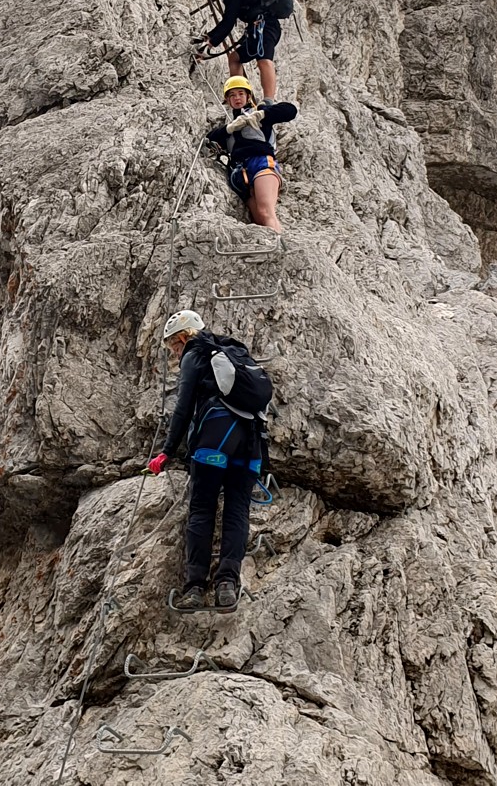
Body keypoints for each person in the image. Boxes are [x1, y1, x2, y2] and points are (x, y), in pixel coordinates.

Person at [146, 309, 267, 611]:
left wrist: (167, 450)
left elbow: (184, 405)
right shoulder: (235, 351)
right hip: (251, 444)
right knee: (237, 511)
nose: (174, 354)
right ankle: (227, 585)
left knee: (202, 509)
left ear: (183, 337)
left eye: (173, 346)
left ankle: (195, 588)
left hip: (216, 437)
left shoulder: (195, 353)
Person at [206, 75, 297, 235]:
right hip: (240, 173)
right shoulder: (229, 126)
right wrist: (228, 129)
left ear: (248, 96)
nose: (237, 98)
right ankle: (272, 245)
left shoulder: (260, 114)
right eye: (232, 95)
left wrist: (262, 114)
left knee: (266, 212)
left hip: (261, 163)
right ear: (227, 100)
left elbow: (290, 110)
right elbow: (210, 139)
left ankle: (278, 245)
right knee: (259, 220)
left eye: (241, 93)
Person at [192, 0, 292, 100]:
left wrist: (211, 42)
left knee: (264, 60)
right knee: (234, 58)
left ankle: (268, 101)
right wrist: (209, 37)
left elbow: (228, 22)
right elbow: (228, 21)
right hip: (260, 27)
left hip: (265, 26)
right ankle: (239, 96)